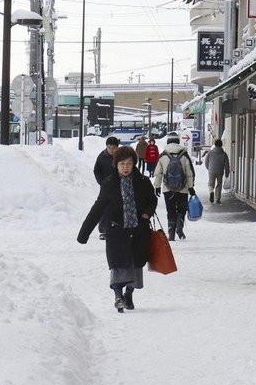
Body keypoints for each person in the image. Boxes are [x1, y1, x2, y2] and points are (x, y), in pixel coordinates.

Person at [77, 146, 158, 313]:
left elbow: (152, 201)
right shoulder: (109, 183)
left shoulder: (143, 182)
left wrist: (146, 213)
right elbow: (98, 208)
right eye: (122, 164)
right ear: (116, 165)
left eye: (129, 163)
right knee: (117, 265)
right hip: (116, 231)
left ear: (134, 163)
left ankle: (129, 294)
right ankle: (118, 297)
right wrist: (84, 233)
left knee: (135, 266)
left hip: (138, 231)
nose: (126, 167)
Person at [152, 133, 196, 241]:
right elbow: (190, 173)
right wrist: (190, 187)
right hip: (183, 189)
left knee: (170, 210)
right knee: (182, 209)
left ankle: (171, 234)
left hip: (168, 189)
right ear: (178, 142)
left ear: (168, 142)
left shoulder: (163, 155)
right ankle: (179, 228)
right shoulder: (184, 155)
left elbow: (158, 173)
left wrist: (157, 186)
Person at [92, 136, 121, 239]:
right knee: (105, 206)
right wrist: (101, 182)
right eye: (109, 147)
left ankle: (118, 227)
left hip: (120, 185)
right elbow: (96, 171)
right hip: (106, 187)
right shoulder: (102, 156)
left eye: (114, 148)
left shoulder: (121, 156)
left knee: (118, 206)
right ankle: (104, 229)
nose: (111, 150)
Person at [203, 139, 231, 204]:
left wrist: (209, 168)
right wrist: (227, 173)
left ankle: (211, 191)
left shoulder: (210, 152)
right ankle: (217, 199)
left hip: (211, 170)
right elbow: (227, 165)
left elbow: (206, 162)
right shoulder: (224, 154)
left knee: (211, 183)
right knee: (219, 184)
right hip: (220, 171)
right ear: (221, 145)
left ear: (215, 145)